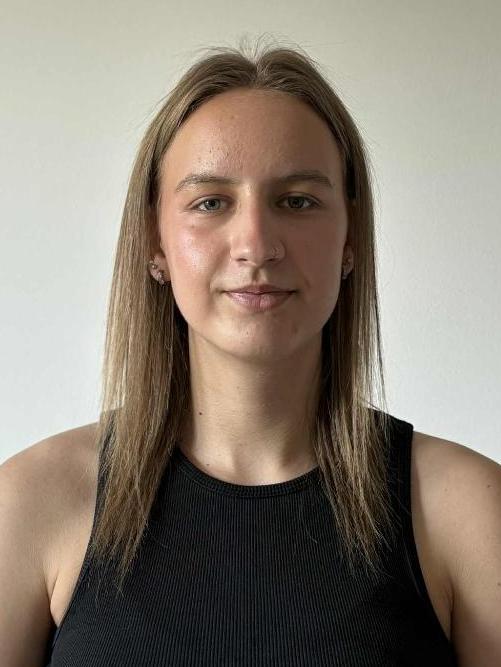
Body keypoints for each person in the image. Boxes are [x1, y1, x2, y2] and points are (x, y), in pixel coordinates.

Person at [1, 36, 500, 666]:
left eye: (297, 201)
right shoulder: (31, 504)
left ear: (350, 236)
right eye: (211, 202)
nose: (257, 245)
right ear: (155, 241)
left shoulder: (466, 510)